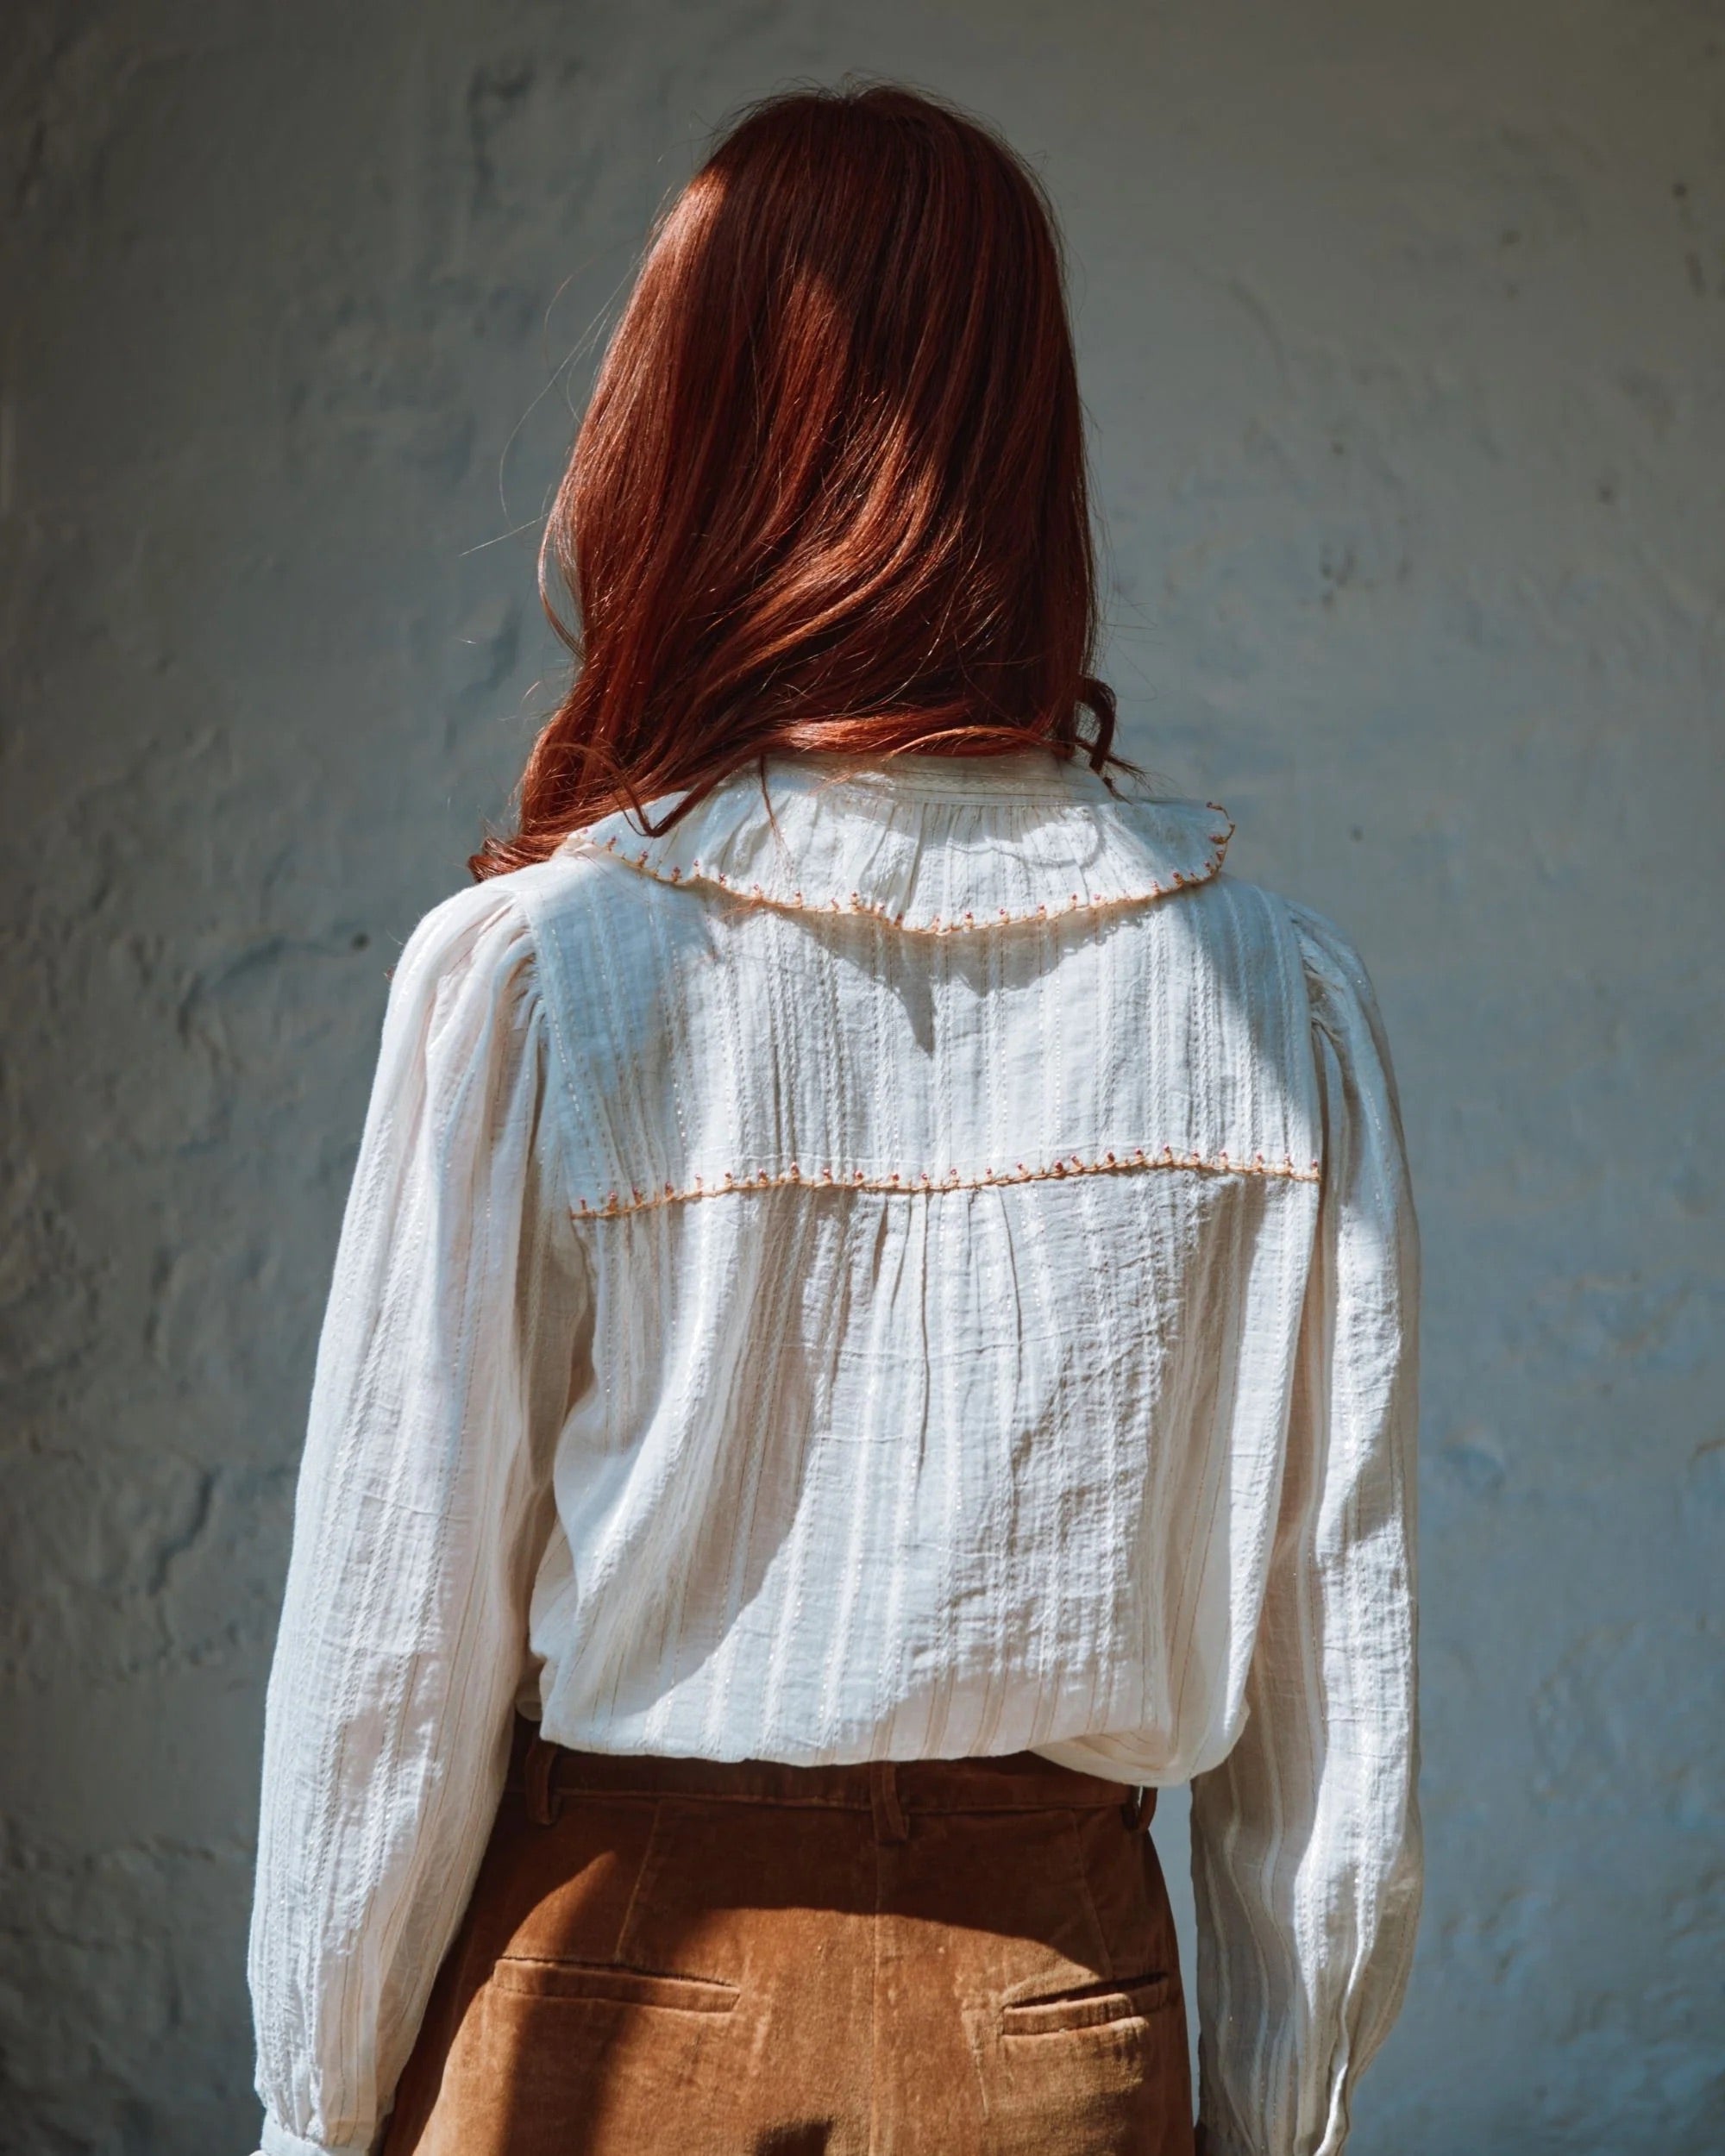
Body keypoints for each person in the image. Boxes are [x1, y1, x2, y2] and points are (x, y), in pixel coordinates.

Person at [246, 83, 1420, 2156]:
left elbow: (388, 1661)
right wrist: (1271, 2106)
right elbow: (1336, 1690)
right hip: (1055, 2007)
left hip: (619, 1984)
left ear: (678, 441)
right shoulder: (1271, 998)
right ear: (1031, 459)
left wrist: (308, 2112)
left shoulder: (539, 971)